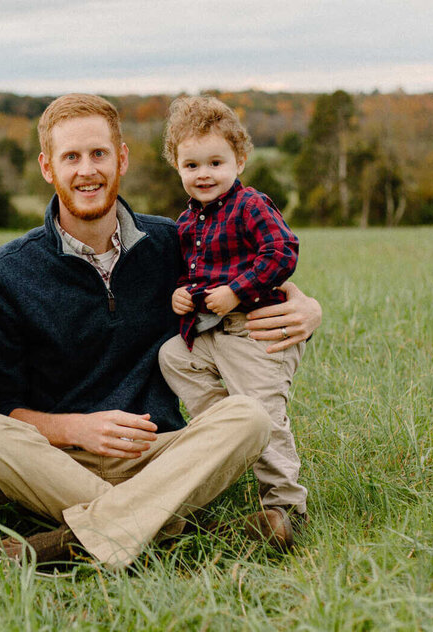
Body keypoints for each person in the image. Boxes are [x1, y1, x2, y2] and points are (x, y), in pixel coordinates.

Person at [0, 93, 321, 569]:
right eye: (71, 157)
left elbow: (251, 274)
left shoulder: (172, 242)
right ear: (47, 167)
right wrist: (78, 428)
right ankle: (184, 532)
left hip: (162, 454)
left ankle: (57, 546)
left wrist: (307, 305)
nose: (88, 170)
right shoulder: (3, 274)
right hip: (60, 462)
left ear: (121, 158)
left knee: (247, 418)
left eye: (99, 153)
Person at [156, 95, 308, 549]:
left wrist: (238, 290)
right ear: (177, 167)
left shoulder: (250, 205)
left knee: (265, 413)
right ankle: (228, 433)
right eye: (192, 165)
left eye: (216, 162)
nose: (204, 174)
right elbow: (195, 273)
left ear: (239, 160)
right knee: (170, 355)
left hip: (251, 328)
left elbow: (282, 252)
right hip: (208, 332)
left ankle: (287, 506)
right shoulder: (187, 222)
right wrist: (183, 294)